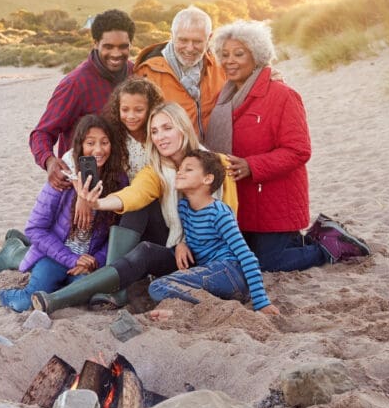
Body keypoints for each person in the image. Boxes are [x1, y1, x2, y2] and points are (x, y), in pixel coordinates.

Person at [30, 102, 238, 314]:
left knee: (148, 250)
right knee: (139, 210)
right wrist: (98, 203)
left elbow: (228, 218)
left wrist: (185, 242)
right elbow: (134, 194)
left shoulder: (218, 165)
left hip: (210, 254)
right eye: (154, 131)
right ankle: (110, 291)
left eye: (167, 128)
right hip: (175, 250)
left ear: (183, 128)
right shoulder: (156, 170)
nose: (160, 137)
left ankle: (64, 290)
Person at [206, 21, 369, 269]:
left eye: (239, 54)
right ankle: (310, 237)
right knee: (240, 258)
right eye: (225, 54)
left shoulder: (283, 95)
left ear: (257, 56)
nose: (230, 61)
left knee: (268, 262)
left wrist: (251, 165)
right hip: (241, 201)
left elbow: (299, 150)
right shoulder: (224, 97)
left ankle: (331, 245)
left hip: (275, 200)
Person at [0, 77, 162, 277]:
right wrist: (82, 196)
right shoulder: (113, 134)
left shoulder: (157, 136)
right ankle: (13, 251)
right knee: (44, 258)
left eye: (139, 110)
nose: (131, 116)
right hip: (104, 200)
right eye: (125, 109)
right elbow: (73, 157)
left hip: (125, 204)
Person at [0, 115, 128, 312]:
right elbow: (35, 229)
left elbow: (117, 234)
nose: (98, 150)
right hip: (54, 256)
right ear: (80, 146)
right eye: (90, 143)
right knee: (27, 301)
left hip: (86, 262)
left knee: (83, 297)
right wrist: (71, 258)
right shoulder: (62, 179)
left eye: (104, 142)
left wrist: (94, 261)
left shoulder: (119, 182)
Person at [147, 150, 280, 317]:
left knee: (158, 286)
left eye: (188, 169)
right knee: (162, 285)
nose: (180, 172)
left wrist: (262, 302)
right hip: (213, 276)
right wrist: (181, 243)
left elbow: (247, 256)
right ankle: (187, 311)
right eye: (179, 169)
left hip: (229, 272)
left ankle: (215, 307)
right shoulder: (183, 207)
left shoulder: (219, 213)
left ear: (207, 179)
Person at [30, 9, 135, 192]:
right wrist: (49, 161)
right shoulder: (75, 83)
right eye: (108, 46)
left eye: (123, 47)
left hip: (127, 183)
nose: (116, 53)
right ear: (95, 43)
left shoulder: (136, 74)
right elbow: (41, 133)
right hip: (85, 185)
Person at [133, 5, 225, 139]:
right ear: (172, 35)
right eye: (183, 40)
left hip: (212, 150)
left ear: (209, 38)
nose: (190, 48)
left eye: (197, 41)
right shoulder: (147, 73)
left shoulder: (220, 67)